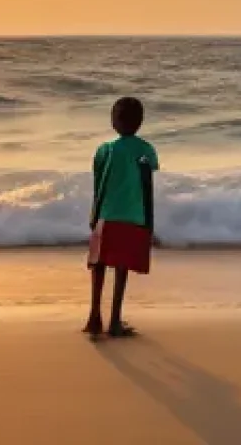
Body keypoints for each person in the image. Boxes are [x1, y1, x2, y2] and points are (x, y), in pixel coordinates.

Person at [84, 96, 158, 339]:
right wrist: (149, 220)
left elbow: (98, 186)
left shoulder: (104, 150)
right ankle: (114, 320)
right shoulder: (145, 150)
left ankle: (94, 316)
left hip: (105, 214)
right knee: (121, 267)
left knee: (98, 264)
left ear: (113, 121)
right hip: (132, 215)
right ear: (140, 122)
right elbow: (147, 186)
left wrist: (94, 214)